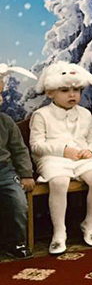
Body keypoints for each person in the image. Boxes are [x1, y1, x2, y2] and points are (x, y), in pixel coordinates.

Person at [29, 62, 92, 255]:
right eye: (65, 90)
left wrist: (90, 151)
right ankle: (59, 231)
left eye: (76, 90)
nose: (72, 95)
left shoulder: (85, 114)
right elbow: (36, 145)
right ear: (50, 92)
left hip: (81, 158)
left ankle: (89, 223)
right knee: (59, 181)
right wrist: (62, 150)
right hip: (51, 160)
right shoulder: (41, 115)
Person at [0, 64, 35, 258]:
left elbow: (19, 149)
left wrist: (26, 174)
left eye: (0, 94)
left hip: (4, 171)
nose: (0, 99)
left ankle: (16, 243)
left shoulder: (5, 121)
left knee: (18, 202)